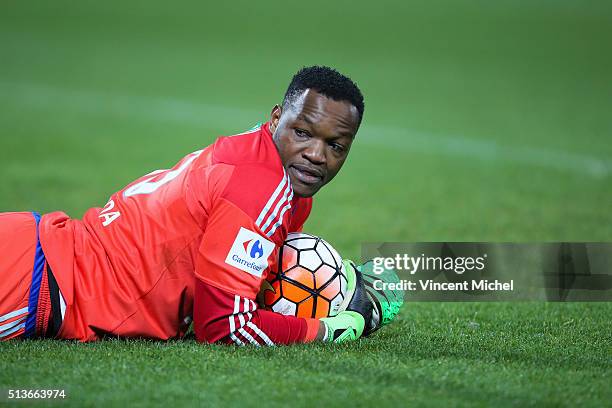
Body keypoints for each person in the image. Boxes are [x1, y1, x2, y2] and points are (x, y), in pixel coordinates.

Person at [0, 66, 395, 346]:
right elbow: (225, 325)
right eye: (303, 133)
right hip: (37, 284)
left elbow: (247, 282)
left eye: (335, 146)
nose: (315, 155)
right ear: (276, 119)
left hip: (39, 252)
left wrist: (335, 283)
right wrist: (333, 328)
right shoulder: (259, 187)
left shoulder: (268, 164)